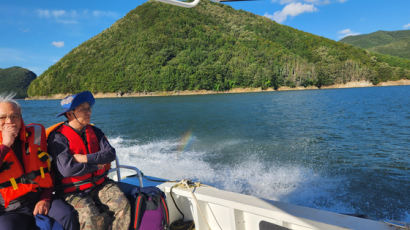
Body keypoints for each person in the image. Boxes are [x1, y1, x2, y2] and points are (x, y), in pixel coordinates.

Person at [47, 91, 130, 230]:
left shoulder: (95, 132)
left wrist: (84, 158)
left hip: (100, 184)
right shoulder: (58, 138)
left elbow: (110, 154)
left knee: (123, 204)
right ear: (69, 114)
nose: (89, 112)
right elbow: (67, 169)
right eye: (83, 109)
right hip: (72, 191)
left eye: (89, 108)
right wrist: (96, 166)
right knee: (90, 216)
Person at [0, 93, 79, 230]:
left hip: (39, 197)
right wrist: (6, 144)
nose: (9, 121)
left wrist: (45, 198)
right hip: (12, 208)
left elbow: (48, 170)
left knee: (67, 214)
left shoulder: (35, 136)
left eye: (14, 116)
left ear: (21, 118)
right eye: (2, 117)